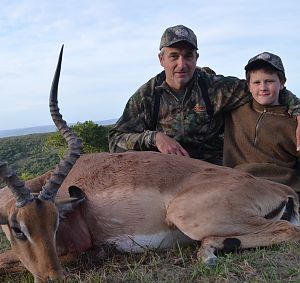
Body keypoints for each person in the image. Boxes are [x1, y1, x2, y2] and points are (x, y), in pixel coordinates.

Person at [108, 25, 300, 165]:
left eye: (188, 55)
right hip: (168, 173)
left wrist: (298, 113)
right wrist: (155, 138)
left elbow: (263, 88)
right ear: (161, 59)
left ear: (196, 58)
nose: (182, 64)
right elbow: (115, 140)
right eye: (174, 56)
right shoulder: (147, 96)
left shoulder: (216, 87)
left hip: (214, 172)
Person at [223, 52, 300, 193]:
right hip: (236, 184)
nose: (263, 87)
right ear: (249, 86)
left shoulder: (294, 124)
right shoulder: (233, 111)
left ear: (282, 83)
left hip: (281, 189)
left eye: (269, 81)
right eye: (256, 82)